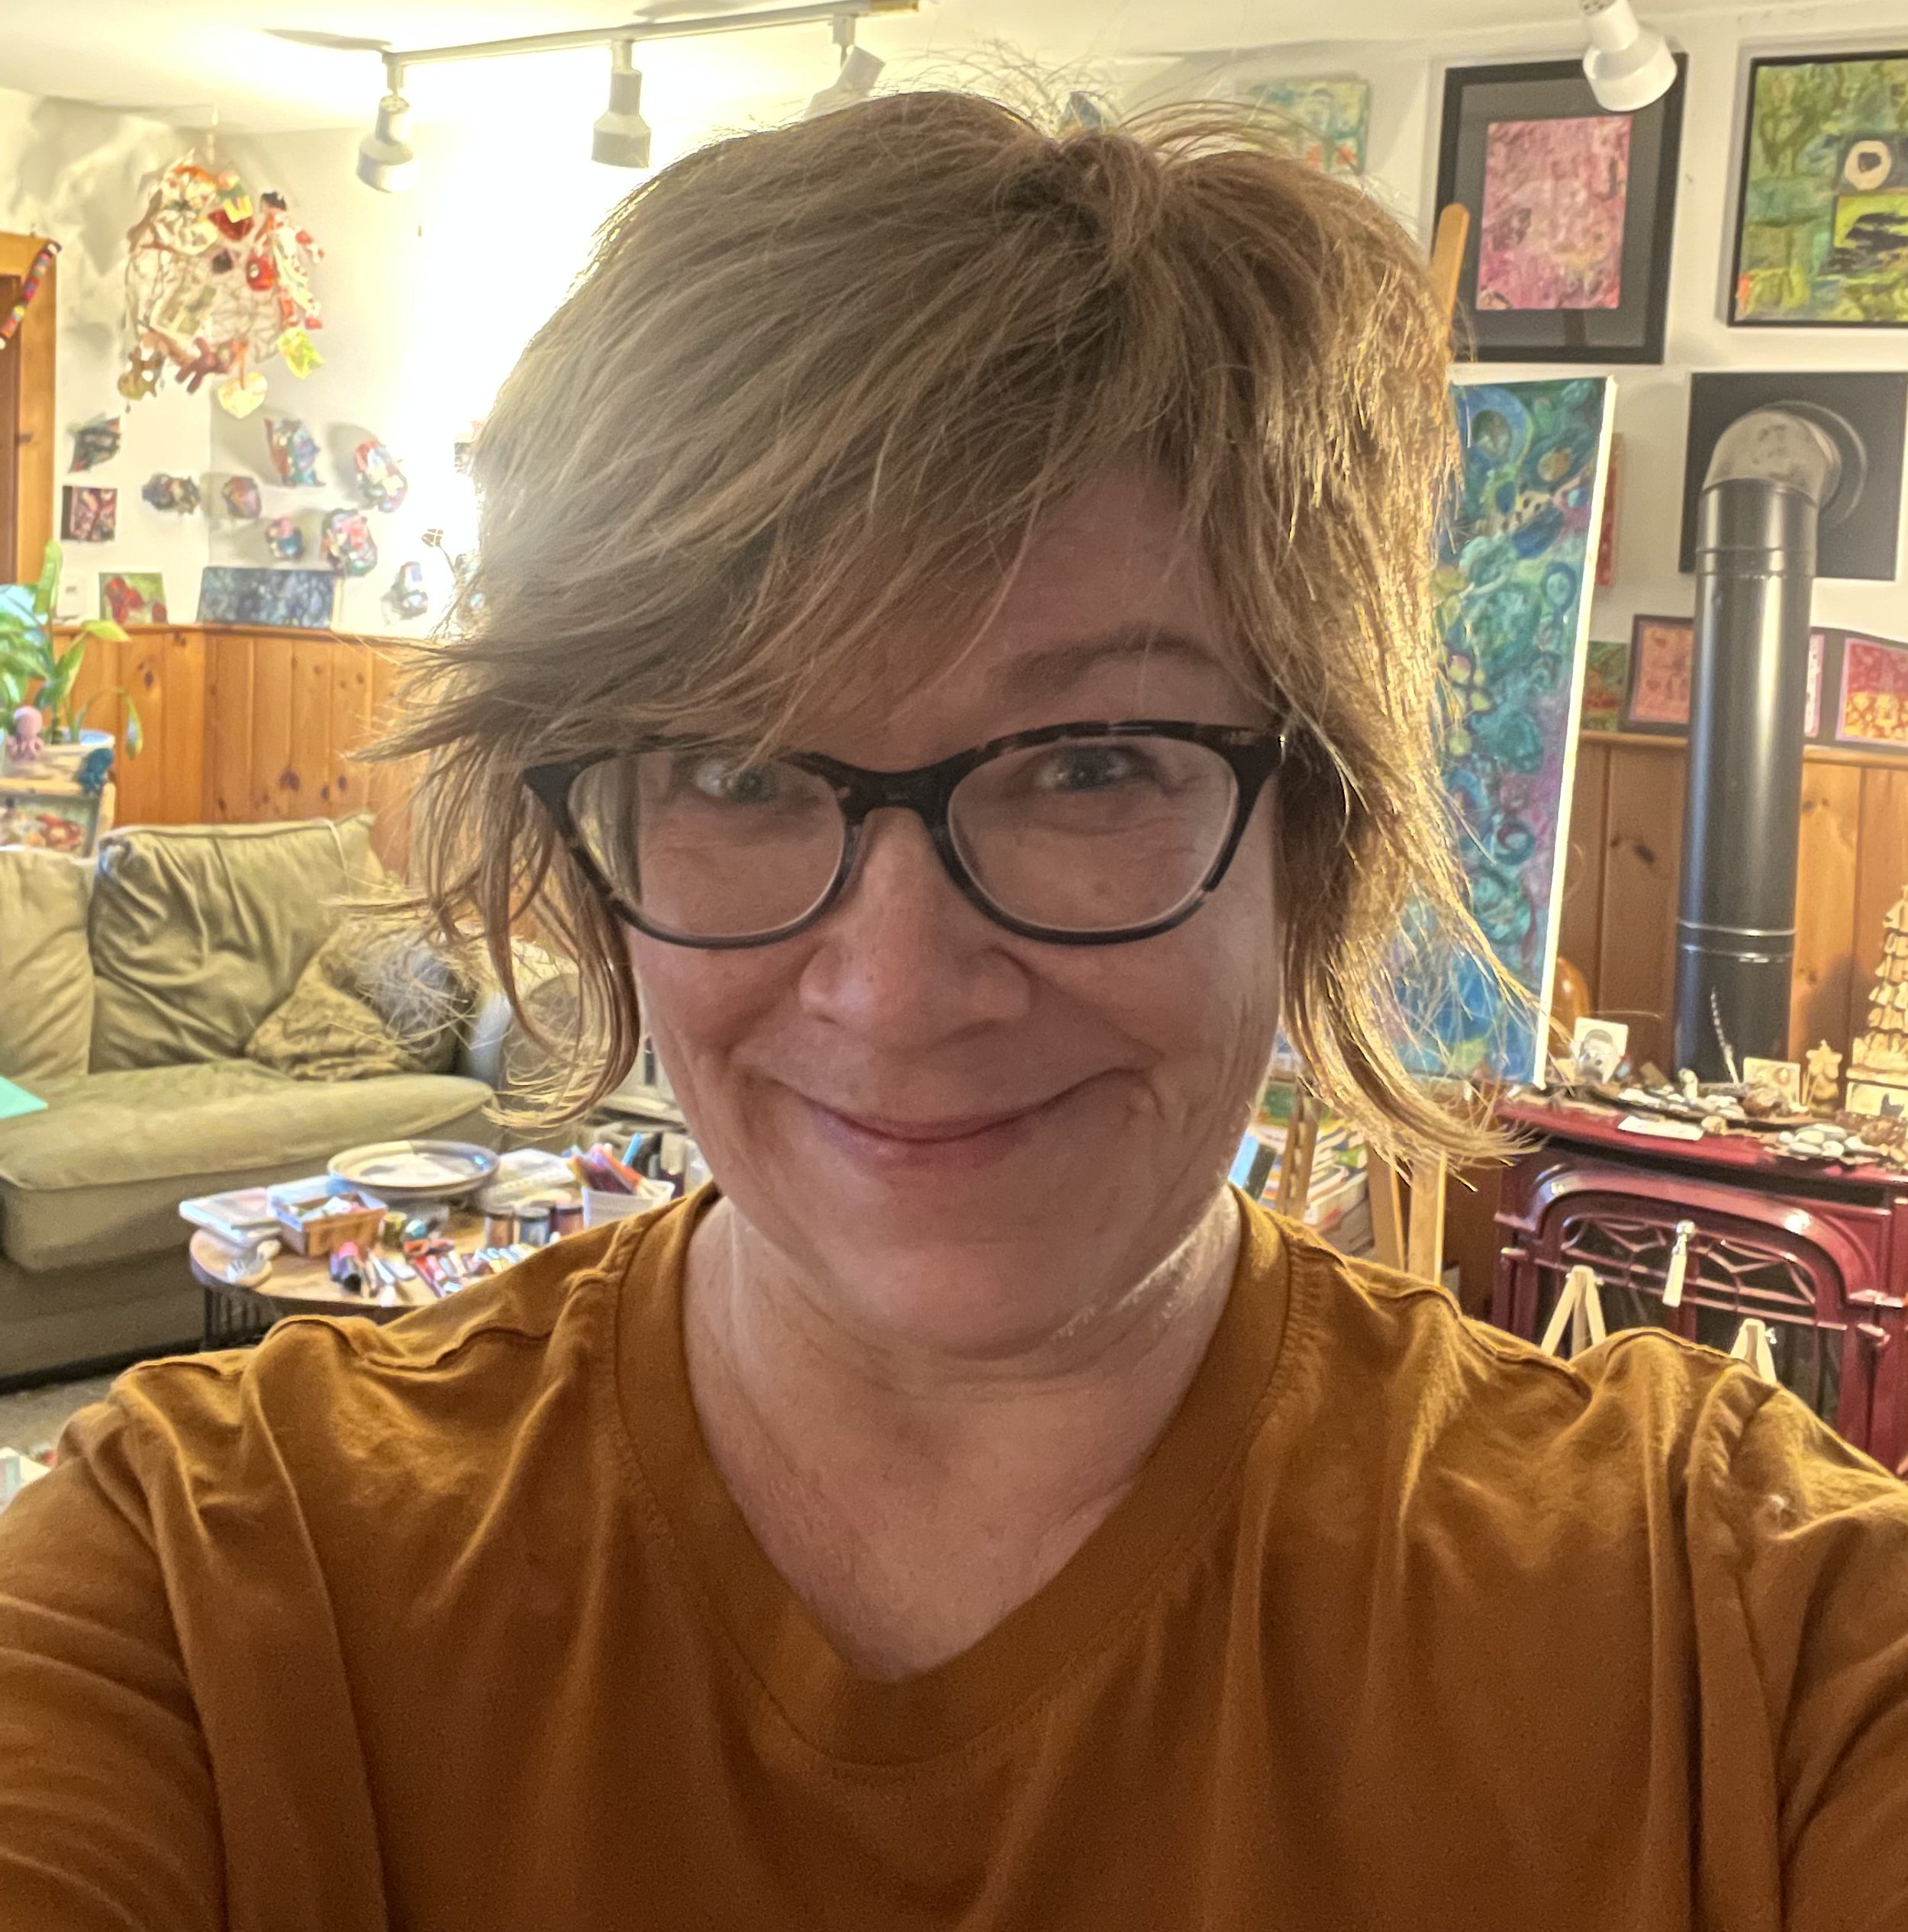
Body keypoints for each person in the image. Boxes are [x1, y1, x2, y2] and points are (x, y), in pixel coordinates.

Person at [3, 94, 1906, 1932]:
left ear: (1310, 829)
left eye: (1087, 762)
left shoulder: (1733, 1627)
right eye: (738, 770)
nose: (895, 989)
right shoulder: (210, 1584)